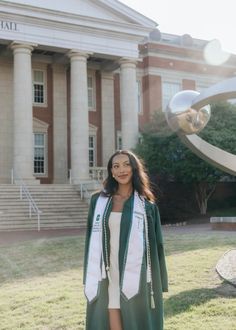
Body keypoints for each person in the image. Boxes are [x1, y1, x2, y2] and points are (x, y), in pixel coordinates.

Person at [83, 150, 168, 330]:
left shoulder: (146, 205)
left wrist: (160, 281)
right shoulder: (98, 201)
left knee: (134, 320)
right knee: (110, 317)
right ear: (111, 172)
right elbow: (90, 240)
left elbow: (156, 245)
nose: (121, 170)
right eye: (116, 166)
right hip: (105, 271)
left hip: (134, 272)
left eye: (126, 164)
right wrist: (87, 276)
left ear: (134, 168)